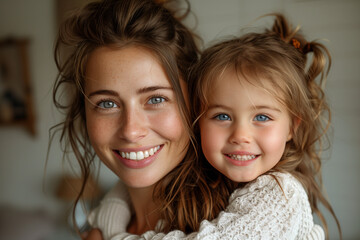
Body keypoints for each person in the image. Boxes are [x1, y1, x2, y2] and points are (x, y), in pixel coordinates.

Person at [85, 14, 342, 240]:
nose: (240, 136)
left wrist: (112, 234)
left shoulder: (279, 194)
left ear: (292, 126)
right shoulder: (213, 183)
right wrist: (108, 220)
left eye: (156, 99)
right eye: (221, 116)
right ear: (199, 115)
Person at [52, 0, 227, 238]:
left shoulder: (238, 219)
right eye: (107, 104)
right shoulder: (102, 225)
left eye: (156, 99)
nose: (131, 131)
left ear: (195, 102)